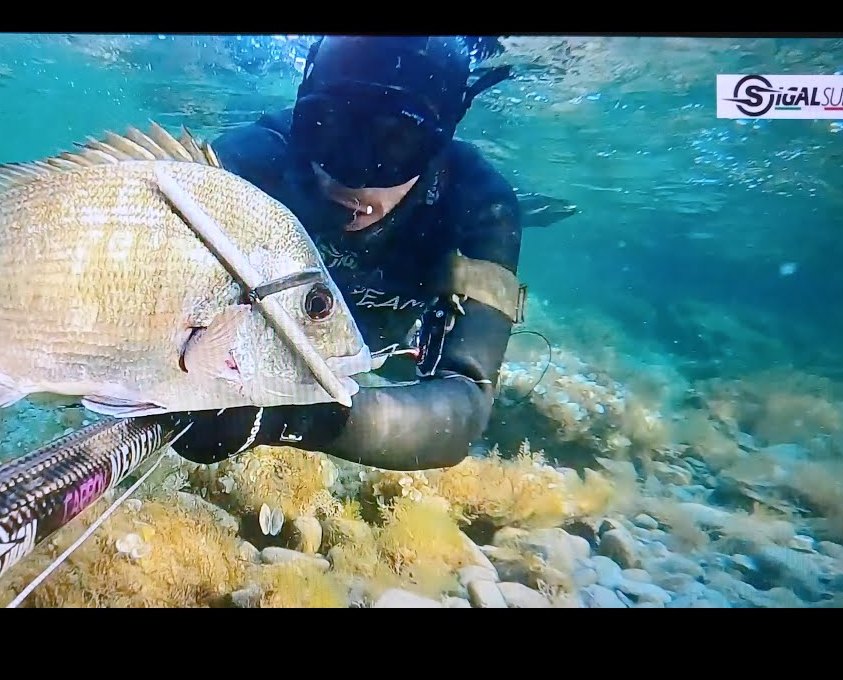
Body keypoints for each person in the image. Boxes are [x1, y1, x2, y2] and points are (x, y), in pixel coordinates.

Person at [141, 35, 575, 472]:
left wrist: (284, 418)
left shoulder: (481, 206)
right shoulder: (250, 163)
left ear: (440, 141)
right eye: (326, 128)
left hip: (386, 345)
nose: (352, 177)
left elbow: (462, 405)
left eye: (397, 143)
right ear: (301, 115)